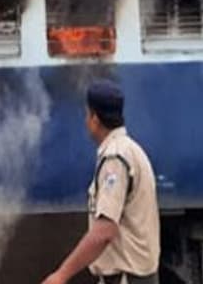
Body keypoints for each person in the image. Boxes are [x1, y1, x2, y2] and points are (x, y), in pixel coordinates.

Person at [42, 80, 160, 284]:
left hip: (126, 278)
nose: (85, 121)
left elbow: (104, 231)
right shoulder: (130, 150)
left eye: (87, 115)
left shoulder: (115, 159)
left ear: (95, 119)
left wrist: (61, 275)